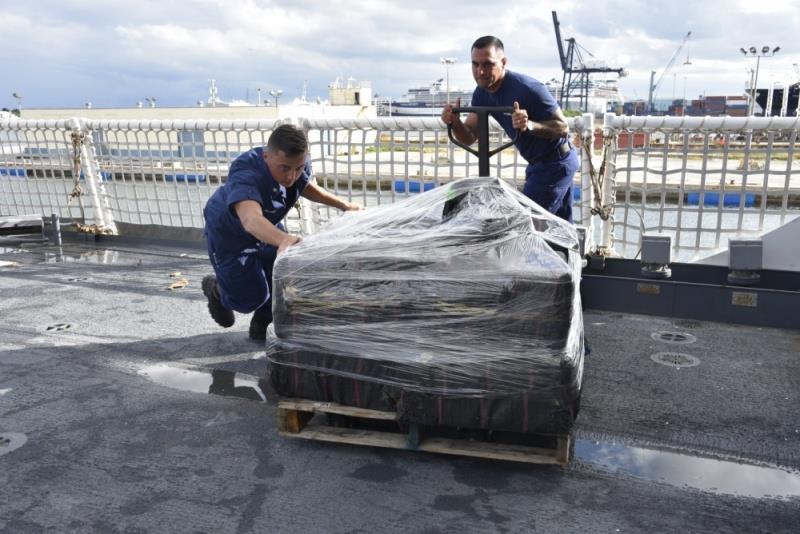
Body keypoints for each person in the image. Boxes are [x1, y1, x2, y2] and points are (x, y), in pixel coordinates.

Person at [201, 124, 361, 340]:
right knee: (249, 299)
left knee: (282, 274)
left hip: (266, 224)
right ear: (267, 156)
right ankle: (218, 291)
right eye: (285, 168)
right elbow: (250, 219)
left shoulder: (297, 164)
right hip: (231, 233)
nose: (291, 176)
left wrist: (345, 205)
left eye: (298, 168)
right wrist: (283, 239)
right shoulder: (247, 171)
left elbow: (304, 185)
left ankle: (262, 321)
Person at [441, 35, 580, 222]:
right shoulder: (481, 92)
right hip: (539, 164)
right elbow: (469, 136)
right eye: (475, 65)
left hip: (556, 163)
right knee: (560, 228)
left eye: (488, 64)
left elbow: (563, 127)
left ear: (503, 62)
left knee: (527, 224)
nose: (480, 72)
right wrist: (455, 123)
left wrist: (529, 125)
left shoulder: (528, 88)